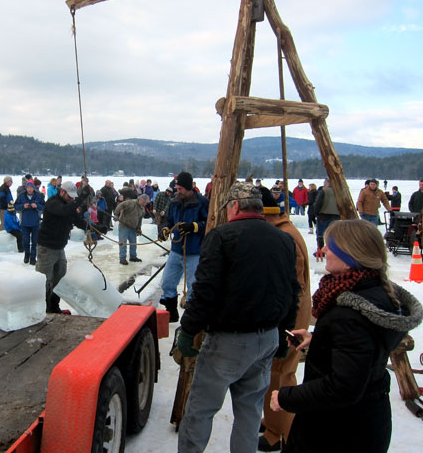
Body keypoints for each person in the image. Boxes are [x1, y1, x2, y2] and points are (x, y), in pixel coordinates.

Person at [270, 219, 423, 453]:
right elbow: (365, 348)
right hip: (363, 421)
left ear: (350, 254)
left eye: (331, 246)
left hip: (338, 432)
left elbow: (344, 386)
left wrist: (286, 397)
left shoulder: (350, 312)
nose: (324, 250)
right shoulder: (374, 292)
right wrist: (320, 339)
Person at [177, 181, 300, 453]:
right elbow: (292, 291)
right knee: (250, 412)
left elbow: (205, 290)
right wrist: (283, 334)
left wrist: (188, 330)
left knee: (200, 410)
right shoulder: (283, 239)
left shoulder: (222, 236)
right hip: (267, 339)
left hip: (228, 341)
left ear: (234, 206)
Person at [258, 187, 312, 451]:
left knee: (281, 375)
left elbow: (290, 285)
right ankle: (273, 420)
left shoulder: (283, 236)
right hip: (291, 313)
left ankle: (280, 434)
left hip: (290, 318)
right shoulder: (283, 229)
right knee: (277, 372)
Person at [158, 172, 209, 322]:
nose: (177, 191)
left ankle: (190, 319)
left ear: (188, 187)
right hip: (176, 250)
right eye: (177, 188)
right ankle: (171, 312)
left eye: (180, 188)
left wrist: (194, 226)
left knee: (193, 286)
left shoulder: (202, 202)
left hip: (194, 251)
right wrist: (165, 229)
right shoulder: (175, 201)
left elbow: (209, 223)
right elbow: (170, 220)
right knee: (167, 281)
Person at [35, 181, 88, 313]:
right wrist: (81, 198)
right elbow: (64, 211)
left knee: (60, 279)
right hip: (47, 247)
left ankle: (54, 307)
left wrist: (94, 227)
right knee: (45, 280)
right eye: (69, 196)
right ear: (62, 192)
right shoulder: (53, 203)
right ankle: (43, 310)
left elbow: (77, 220)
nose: (71, 199)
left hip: (59, 247)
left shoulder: (68, 205)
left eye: (73, 197)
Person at [15, 180, 45, 265]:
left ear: (33, 188)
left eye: (31, 187)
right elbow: (15, 206)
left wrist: (37, 206)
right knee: (26, 241)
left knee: (35, 241)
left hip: (35, 222)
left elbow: (44, 207)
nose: (29, 189)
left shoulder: (38, 196)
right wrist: (23, 206)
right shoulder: (21, 196)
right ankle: (27, 255)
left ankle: (33, 257)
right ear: (26, 188)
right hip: (25, 222)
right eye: (28, 187)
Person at [114, 194, 149, 265]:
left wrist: (138, 228)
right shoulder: (131, 203)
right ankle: (122, 258)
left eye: (146, 203)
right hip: (124, 225)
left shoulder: (142, 209)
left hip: (133, 228)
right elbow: (120, 205)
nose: (145, 204)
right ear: (140, 199)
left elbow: (140, 220)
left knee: (133, 243)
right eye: (144, 202)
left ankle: (133, 257)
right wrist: (116, 214)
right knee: (123, 243)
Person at [313, 178, 340, 256]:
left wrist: (316, 213)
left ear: (326, 183)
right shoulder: (338, 192)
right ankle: (333, 251)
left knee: (320, 234)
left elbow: (318, 203)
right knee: (332, 234)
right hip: (336, 216)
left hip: (323, 215)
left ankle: (321, 250)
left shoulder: (324, 191)